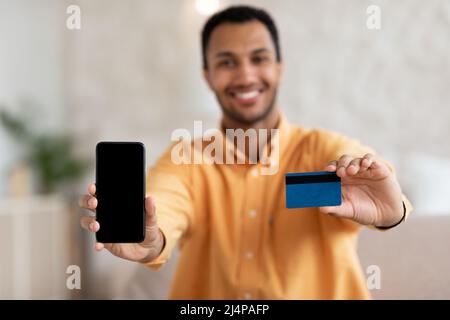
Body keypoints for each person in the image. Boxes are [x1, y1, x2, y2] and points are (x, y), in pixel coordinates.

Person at [78, 5, 412, 299]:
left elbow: (364, 169)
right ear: (207, 76)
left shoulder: (323, 150)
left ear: (279, 67)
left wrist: (391, 208)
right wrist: (150, 241)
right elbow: (163, 204)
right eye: (227, 62)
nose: (245, 74)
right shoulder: (188, 160)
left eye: (259, 58)